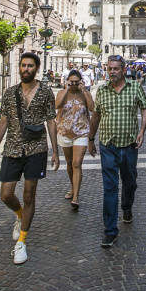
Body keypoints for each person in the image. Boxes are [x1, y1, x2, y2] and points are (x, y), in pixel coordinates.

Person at [0, 51, 59, 265]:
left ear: (36, 68)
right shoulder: (10, 93)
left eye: (30, 66)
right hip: (12, 148)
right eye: (23, 65)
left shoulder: (46, 92)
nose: (25, 69)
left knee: (29, 195)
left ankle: (22, 242)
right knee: (5, 195)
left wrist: (55, 150)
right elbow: (3, 121)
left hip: (36, 148)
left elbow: (51, 121)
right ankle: (19, 215)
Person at [88, 54, 146, 249]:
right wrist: (90, 138)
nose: (112, 72)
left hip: (130, 145)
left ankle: (127, 206)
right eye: (109, 68)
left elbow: (145, 108)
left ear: (123, 70)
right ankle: (110, 231)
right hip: (108, 145)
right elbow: (96, 115)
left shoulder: (135, 87)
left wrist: (142, 131)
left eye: (115, 68)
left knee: (130, 182)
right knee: (110, 187)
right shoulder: (102, 91)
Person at [56, 69, 94, 210]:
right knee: (69, 162)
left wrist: (84, 91)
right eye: (71, 82)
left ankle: (76, 196)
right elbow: (57, 105)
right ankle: (72, 187)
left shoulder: (84, 94)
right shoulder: (62, 93)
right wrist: (66, 89)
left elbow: (92, 108)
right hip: (64, 132)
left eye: (76, 82)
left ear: (80, 82)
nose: (73, 84)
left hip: (81, 133)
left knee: (77, 163)